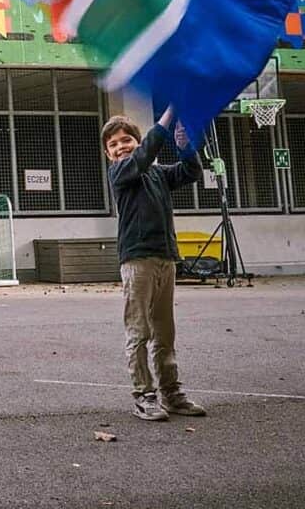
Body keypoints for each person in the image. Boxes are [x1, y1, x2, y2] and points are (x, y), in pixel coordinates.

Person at [102, 108, 208, 422]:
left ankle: (172, 394)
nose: (121, 146)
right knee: (139, 331)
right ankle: (144, 396)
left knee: (164, 333)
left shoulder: (158, 174)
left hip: (165, 258)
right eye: (113, 144)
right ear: (108, 155)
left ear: (135, 140)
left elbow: (191, 172)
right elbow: (145, 155)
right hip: (137, 260)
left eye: (126, 140)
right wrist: (167, 118)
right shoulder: (121, 174)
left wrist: (186, 145)